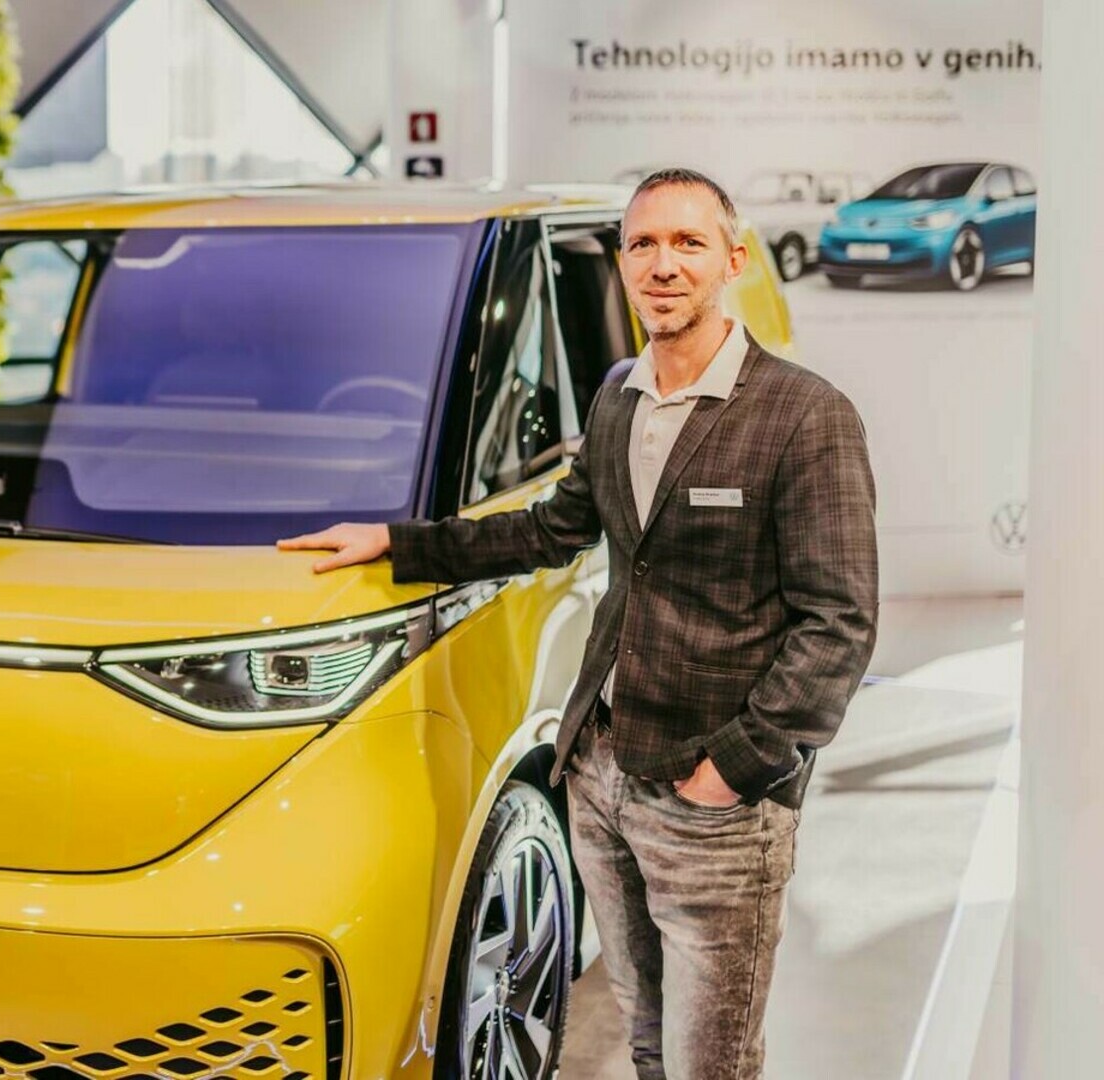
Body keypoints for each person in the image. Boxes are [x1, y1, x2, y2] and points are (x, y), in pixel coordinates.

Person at [276, 169, 878, 1080]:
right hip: (600, 778)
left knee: (711, 1062)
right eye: (643, 245)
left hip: (714, 807)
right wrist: (397, 543)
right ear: (623, 263)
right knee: (646, 1035)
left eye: (688, 243)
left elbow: (840, 624)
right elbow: (550, 530)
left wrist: (736, 769)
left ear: (733, 261)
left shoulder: (805, 415)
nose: (663, 265)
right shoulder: (620, 396)